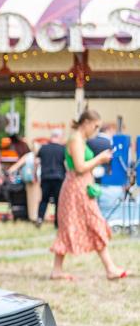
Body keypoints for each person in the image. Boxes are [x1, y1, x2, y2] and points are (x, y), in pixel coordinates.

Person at [50, 109, 128, 281]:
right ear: (86, 123)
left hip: (79, 187)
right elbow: (80, 167)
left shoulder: (78, 139)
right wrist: (100, 159)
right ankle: (110, 268)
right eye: (95, 126)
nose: (96, 130)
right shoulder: (76, 140)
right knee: (93, 223)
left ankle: (58, 270)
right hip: (77, 189)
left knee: (77, 225)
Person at [36, 129, 66, 228]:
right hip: (59, 178)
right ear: (59, 137)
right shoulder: (62, 149)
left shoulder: (43, 148)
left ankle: (40, 218)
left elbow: (36, 162)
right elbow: (66, 164)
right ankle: (57, 223)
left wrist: (35, 175)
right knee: (58, 201)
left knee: (44, 200)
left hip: (45, 177)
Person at [6, 137, 40, 224]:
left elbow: (16, 166)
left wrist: (8, 172)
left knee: (31, 200)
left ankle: (32, 216)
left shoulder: (28, 156)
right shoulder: (40, 157)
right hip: (38, 181)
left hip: (29, 180)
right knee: (39, 199)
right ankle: (38, 217)